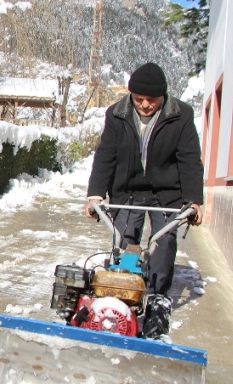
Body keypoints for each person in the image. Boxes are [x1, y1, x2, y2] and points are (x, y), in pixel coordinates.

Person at [84, 62, 204, 339]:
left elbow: (189, 159)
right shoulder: (117, 113)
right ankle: (124, 297)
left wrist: (194, 201)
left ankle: (158, 299)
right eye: (139, 99)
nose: (146, 104)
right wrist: (95, 194)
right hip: (128, 191)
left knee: (163, 244)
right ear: (131, 96)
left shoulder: (180, 115)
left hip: (166, 193)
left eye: (152, 99)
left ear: (163, 96)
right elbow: (106, 155)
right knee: (124, 242)